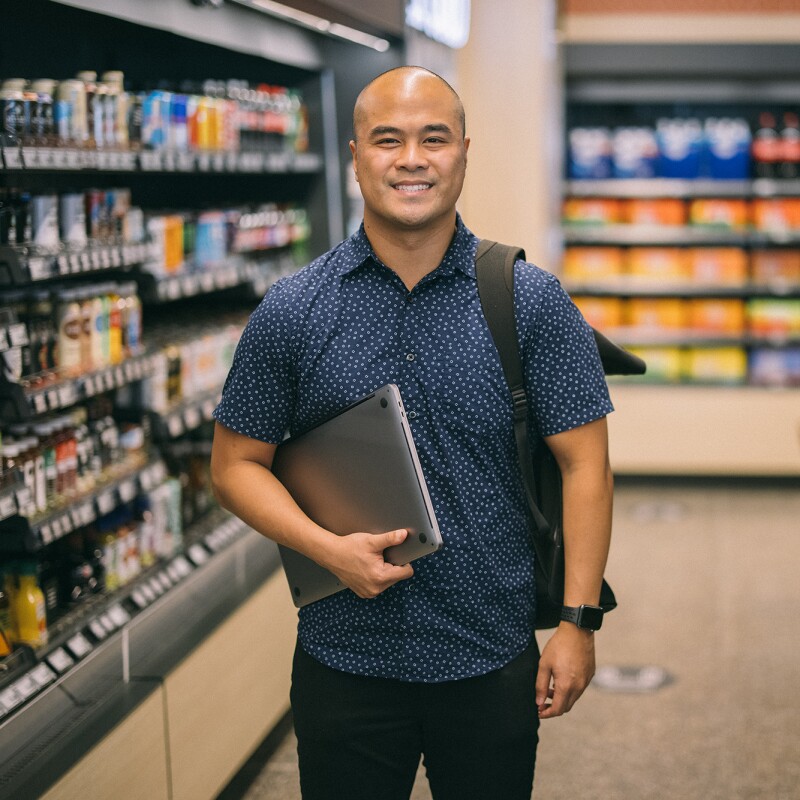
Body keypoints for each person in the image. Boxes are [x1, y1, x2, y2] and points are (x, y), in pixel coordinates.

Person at [210, 66, 614, 800]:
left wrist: (576, 623)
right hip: (344, 660)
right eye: (387, 139)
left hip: (490, 653)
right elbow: (235, 464)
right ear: (357, 157)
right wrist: (326, 549)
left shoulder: (532, 302)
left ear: (463, 150)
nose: (412, 159)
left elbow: (586, 466)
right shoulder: (292, 310)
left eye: (434, 138)